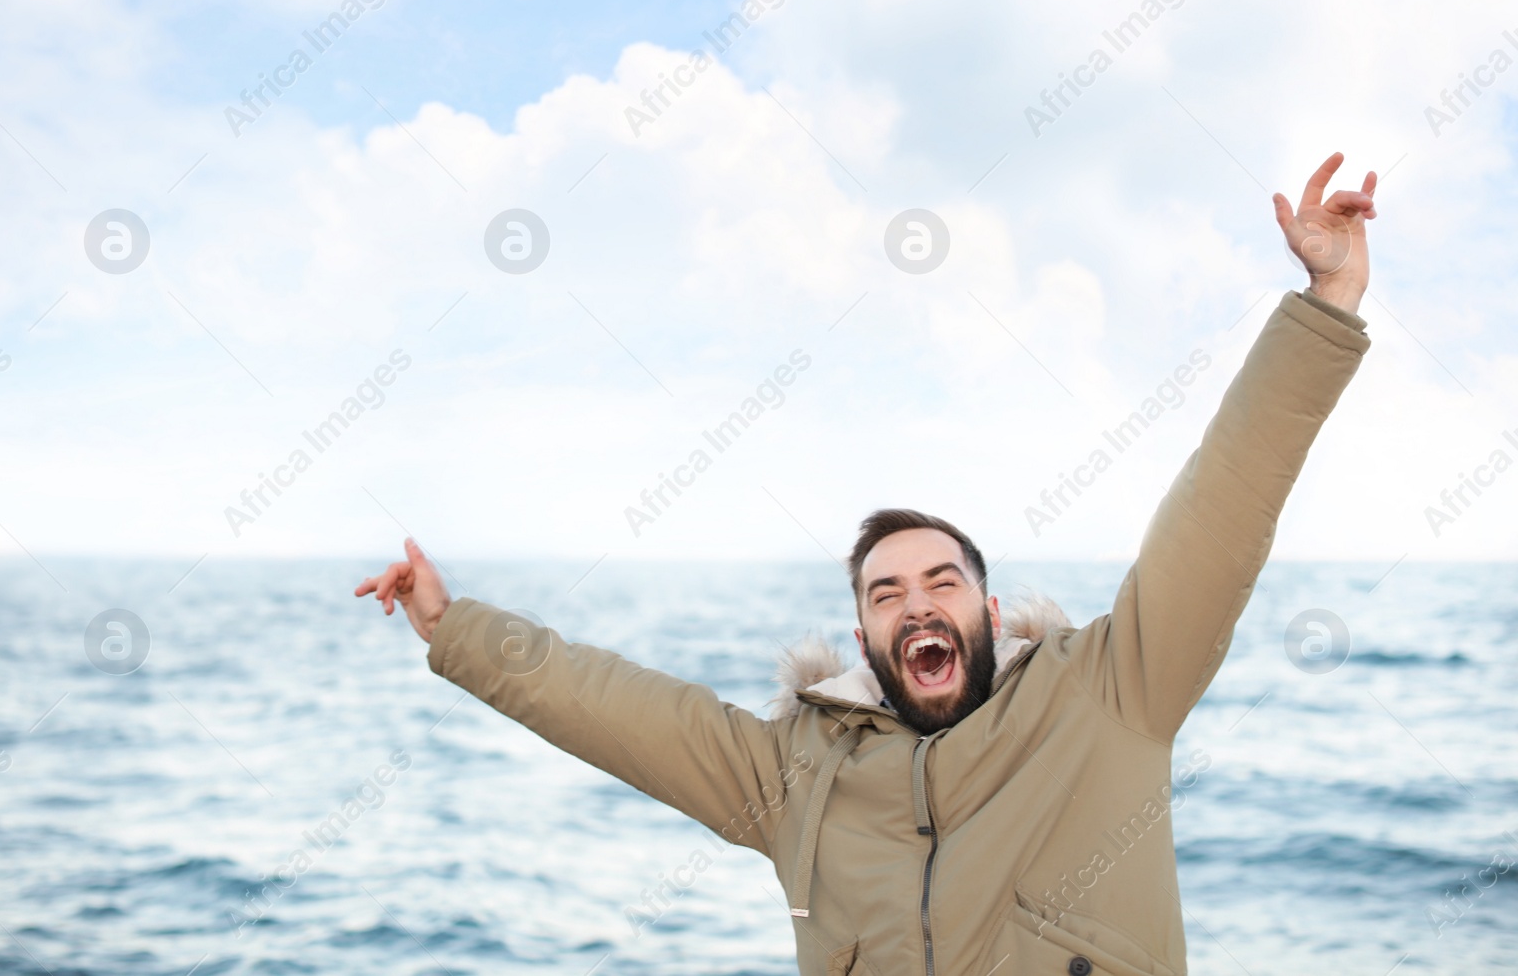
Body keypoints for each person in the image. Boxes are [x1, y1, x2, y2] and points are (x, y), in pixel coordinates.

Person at [357, 152, 1377, 976]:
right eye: (886, 593)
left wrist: (1324, 302)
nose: (915, 603)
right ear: (863, 640)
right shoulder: (795, 774)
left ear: (987, 607)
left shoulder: (1113, 692)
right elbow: (618, 706)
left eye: (940, 581)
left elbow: (1223, 501)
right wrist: (457, 631)